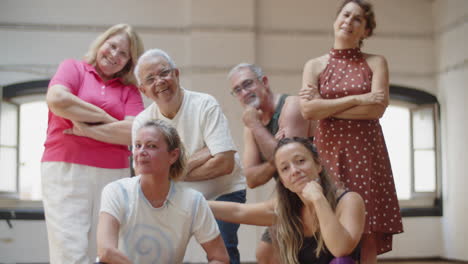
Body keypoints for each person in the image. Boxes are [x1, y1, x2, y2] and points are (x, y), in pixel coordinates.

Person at [299, 0, 403, 263]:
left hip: (366, 152)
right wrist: (358, 99)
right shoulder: (314, 65)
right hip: (328, 150)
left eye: (357, 19)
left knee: (367, 226)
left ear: (366, 31)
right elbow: (308, 111)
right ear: (336, 20)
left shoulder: (376, 62)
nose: (349, 21)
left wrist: (326, 106)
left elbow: (376, 110)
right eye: (345, 15)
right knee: (327, 217)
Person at [41, 24, 144, 263]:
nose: (115, 55)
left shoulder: (129, 90)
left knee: (109, 247)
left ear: (130, 62)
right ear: (101, 43)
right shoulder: (73, 68)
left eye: (124, 53)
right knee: (69, 248)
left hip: (114, 174)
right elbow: (57, 99)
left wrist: (86, 129)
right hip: (65, 168)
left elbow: (134, 133)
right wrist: (108, 119)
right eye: (112, 46)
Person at [132, 48, 246, 264]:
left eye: (164, 73)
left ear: (176, 73)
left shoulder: (204, 104)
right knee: (159, 250)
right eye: (150, 79)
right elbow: (145, 174)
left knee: (224, 252)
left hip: (225, 190)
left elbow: (225, 163)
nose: (160, 81)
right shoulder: (142, 122)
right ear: (143, 90)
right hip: (176, 196)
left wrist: (170, 171)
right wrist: (203, 154)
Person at [209, 137, 365, 264]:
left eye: (300, 161)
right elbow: (238, 211)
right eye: (285, 168)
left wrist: (318, 199)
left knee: (342, 262)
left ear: (318, 164)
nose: (295, 171)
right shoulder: (285, 207)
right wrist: (195, 202)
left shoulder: (349, 201)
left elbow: (340, 249)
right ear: (283, 181)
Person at [96, 120, 229, 264]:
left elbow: (219, 257)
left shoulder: (193, 201)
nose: (141, 152)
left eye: (151, 146)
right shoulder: (116, 191)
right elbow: (106, 252)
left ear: (173, 155)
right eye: (138, 145)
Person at [227, 63, 316, 263]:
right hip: (288, 198)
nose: (244, 92)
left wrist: (255, 125)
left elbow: (289, 157)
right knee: (265, 254)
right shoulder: (251, 126)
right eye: (237, 90)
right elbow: (250, 179)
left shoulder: (290, 105)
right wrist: (273, 162)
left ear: (264, 82)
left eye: (248, 84)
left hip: (315, 193)